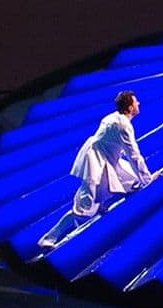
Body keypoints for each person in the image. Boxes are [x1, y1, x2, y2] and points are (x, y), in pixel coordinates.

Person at [37, 90, 154, 249]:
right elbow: (134, 155)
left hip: (107, 161)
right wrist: (148, 179)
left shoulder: (113, 118)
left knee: (131, 180)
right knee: (84, 207)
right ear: (130, 107)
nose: (138, 103)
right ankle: (49, 238)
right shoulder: (123, 125)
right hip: (96, 164)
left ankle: (102, 207)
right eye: (135, 102)